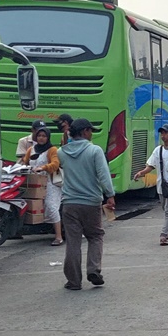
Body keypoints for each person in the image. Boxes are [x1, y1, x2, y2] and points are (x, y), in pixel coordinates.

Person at [57, 118, 116, 290]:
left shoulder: (62, 152)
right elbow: (103, 175)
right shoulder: (94, 151)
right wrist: (110, 195)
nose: (92, 134)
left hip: (69, 203)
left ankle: (74, 281)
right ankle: (94, 270)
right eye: (90, 131)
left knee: (73, 242)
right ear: (84, 132)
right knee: (95, 236)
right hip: (91, 202)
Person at [133, 123, 168, 246]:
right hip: (161, 185)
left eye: (166, 133)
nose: (163, 136)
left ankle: (164, 235)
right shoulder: (158, 150)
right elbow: (150, 166)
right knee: (166, 208)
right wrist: (141, 173)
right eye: (162, 133)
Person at [22, 127, 63, 246]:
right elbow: (25, 162)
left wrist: (43, 168)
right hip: (35, 184)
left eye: (44, 136)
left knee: (51, 206)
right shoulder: (31, 149)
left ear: (48, 137)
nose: (41, 138)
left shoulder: (52, 150)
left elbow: (55, 164)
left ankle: (58, 236)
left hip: (50, 183)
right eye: (39, 135)